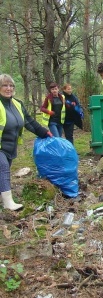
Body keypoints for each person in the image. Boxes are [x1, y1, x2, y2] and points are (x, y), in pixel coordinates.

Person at [0, 74, 53, 211]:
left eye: (11, 86)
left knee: (2, 172)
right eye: (5, 85)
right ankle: (8, 203)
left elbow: (29, 122)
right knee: (3, 169)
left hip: (9, 147)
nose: (8, 88)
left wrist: (44, 132)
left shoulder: (17, 104)